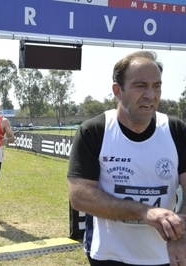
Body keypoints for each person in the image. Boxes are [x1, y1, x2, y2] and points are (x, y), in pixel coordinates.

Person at [67, 51, 186, 266]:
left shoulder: (176, 130)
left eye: (156, 86)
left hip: (165, 256)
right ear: (117, 90)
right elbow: (79, 196)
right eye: (140, 86)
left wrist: (181, 236)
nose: (150, 95)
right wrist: (144, 212)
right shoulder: (95, 131)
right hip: (108, 256)